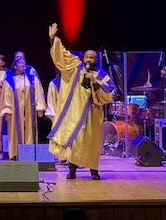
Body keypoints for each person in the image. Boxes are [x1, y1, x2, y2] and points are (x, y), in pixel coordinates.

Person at [47, 22, 115, 180]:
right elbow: (62, 55)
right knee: (75, 142)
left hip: (92, 115)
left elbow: (109, 93)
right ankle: (72, 170)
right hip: (75, 114)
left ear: (96, 59)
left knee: (91, 143)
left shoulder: (102, 74)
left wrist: (96, 82)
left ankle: (94, 170)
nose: (89, 60)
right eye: (87, 57)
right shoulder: (75, 67)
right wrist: (53, 39)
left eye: (92, 57)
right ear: (83, 58)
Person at [0, 53, 47, 161]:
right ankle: (15, 154)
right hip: (15, 112)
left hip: (29, 110)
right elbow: (5, 96)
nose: (23, 64)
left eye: (24, 62)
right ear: (15, 66)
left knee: (29, 130)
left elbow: (38, 91)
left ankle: (28, 153)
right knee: (15, 132)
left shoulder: (31, 78)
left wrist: (39, 106)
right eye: (20, 63)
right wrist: (7, 109)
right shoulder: (9, 81)